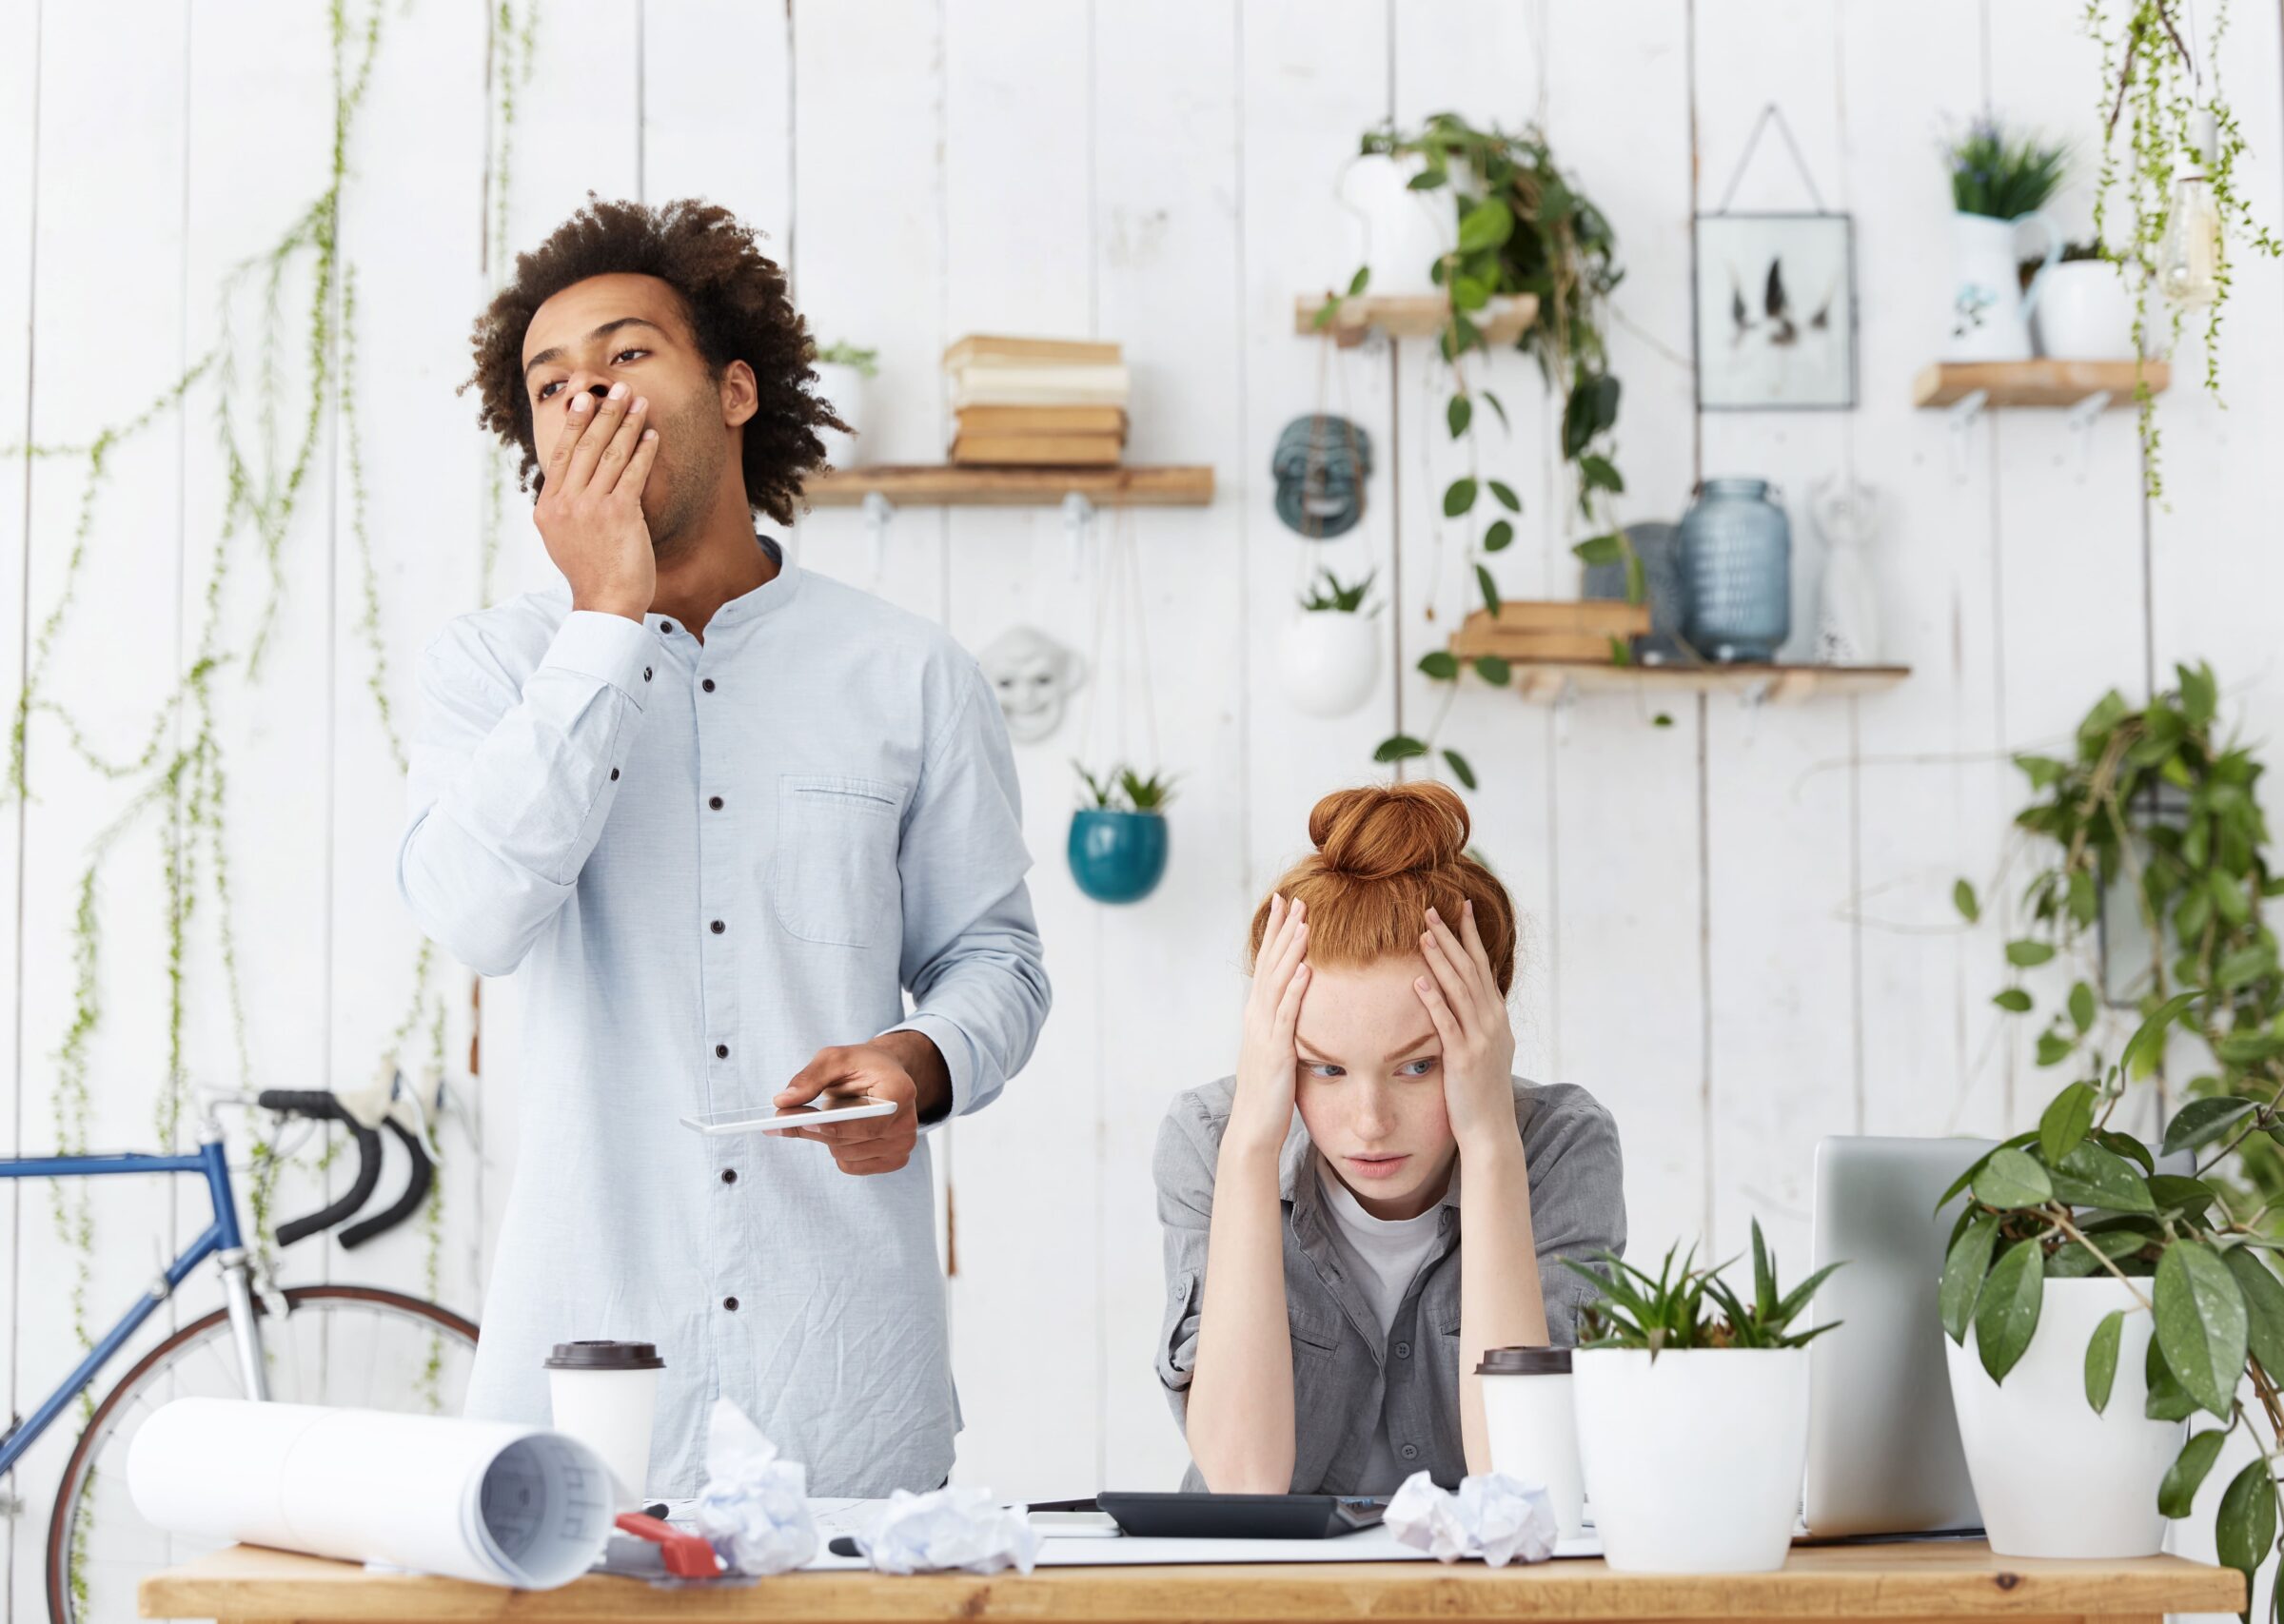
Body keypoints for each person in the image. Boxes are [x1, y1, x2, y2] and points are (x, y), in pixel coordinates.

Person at [399, 197, 1051, 1496]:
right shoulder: (492, 668)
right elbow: (476, 915)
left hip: (844, 1396)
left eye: (627, 353)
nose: (587, 393)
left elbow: (997, 958)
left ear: (736, 386)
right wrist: (604, 622)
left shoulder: (909, 673)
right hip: (575, 1389)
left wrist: (919, 1063)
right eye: (550, 382)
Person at [1152, 781, 1625, 1495]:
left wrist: (1492, 1138)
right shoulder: (1208, 1140)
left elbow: (1525, 1486)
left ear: (1487, 1034)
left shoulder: (1562, 1148)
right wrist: (1251, 1143)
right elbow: (1244, 1485)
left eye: (1417, 1065)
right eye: (1326, 1067)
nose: (1369, 1120)